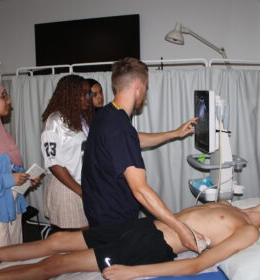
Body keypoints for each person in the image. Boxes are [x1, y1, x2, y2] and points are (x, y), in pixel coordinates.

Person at [0, 192, 260, 280]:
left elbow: (196, 264)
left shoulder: (249, 231)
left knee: (55, 265)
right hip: (142, 226)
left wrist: (134, 272)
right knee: (56, 241)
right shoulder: (232, 204)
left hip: (150, 245)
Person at [81, 57, 198, 250]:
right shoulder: (119, 127)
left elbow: (134, 139)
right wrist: (180, 227)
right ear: (138, 85)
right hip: (113, 217)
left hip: (98, 208)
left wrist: (175, 133)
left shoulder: (106, 114)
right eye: (146, 86)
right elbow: (140, 190)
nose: (146, 92)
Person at [41, 75, 94, 231]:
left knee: (85, 238)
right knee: (76, 239)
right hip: (67, 186)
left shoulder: (80, 119)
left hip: (82, 184)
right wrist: (79, 190)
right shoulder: (55, 122)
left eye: (88, 93)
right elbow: (54, 163)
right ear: (69, 94)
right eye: (83, 93)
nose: (87, 98)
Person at [0, 83, 39, 247]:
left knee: (14, 257)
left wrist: (25, 178)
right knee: (1, 264)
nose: (9, 100)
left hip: (12, 207)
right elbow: (6, 176)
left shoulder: (2, 133)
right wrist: (10, 180)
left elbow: (8, 167)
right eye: (3, 96)